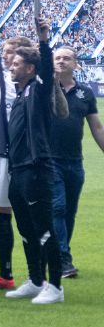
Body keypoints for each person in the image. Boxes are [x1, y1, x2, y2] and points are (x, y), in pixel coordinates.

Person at [3, 18, 69, 304]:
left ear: (30, 69)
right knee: (26, 229)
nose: (11, 67)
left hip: (36, 168)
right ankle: (35, 279)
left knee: (43, 228)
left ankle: (55, 285)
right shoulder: (20, 95)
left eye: (16, 64)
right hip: (17, 170)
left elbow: (45, 66)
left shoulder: (38, 91)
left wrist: (43, 39)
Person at [0, 36, 29, 291]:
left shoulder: (33, 83)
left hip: (26, 157)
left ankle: (39, 276)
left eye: (12, 53)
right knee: (2, 215)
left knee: (29, 217)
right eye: (5, 53)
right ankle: (5, 275)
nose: (6, 57)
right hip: (1, 154)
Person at [50, 46, 102, 279]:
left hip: (74, 161)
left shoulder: (85, 93)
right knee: (58, 207)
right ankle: (63, 259)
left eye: (66, 58)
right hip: (50, 161)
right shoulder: (45, 89)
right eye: (57, 57)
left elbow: (97, 127)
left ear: (76, 64)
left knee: (69, 211)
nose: (61, 61)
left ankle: (61, 254)